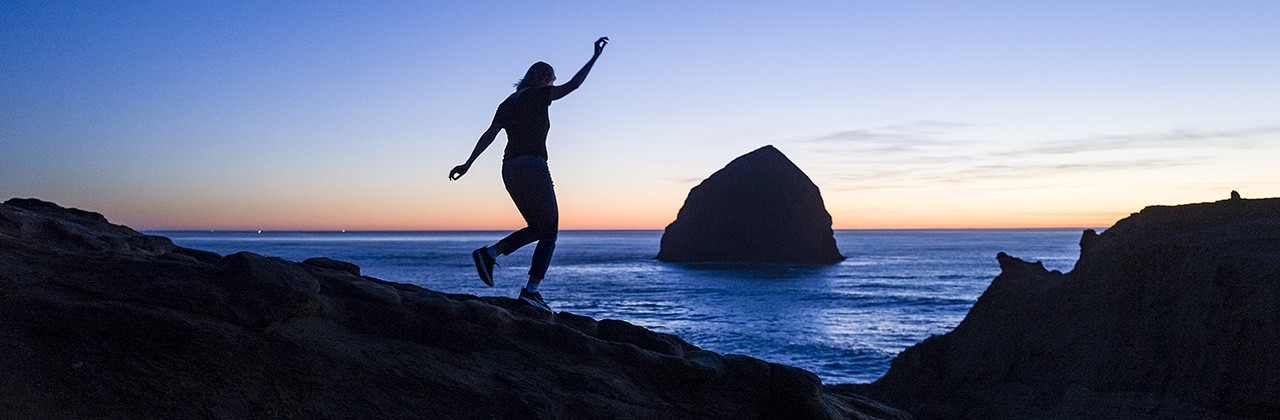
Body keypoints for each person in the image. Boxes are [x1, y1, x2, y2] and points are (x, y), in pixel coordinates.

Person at [449, 37, 609, 312]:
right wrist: (594, 57)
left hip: (509, 169)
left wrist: (468, 163)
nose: (552, 86)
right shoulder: (539, 95)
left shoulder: (507, 103)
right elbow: (573, 86)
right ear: (545, 79)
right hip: (532, 166)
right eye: (551, 81)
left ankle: (490, 254)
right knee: (550, 230)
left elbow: (490, 135)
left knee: (538, 227)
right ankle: (531, 291)